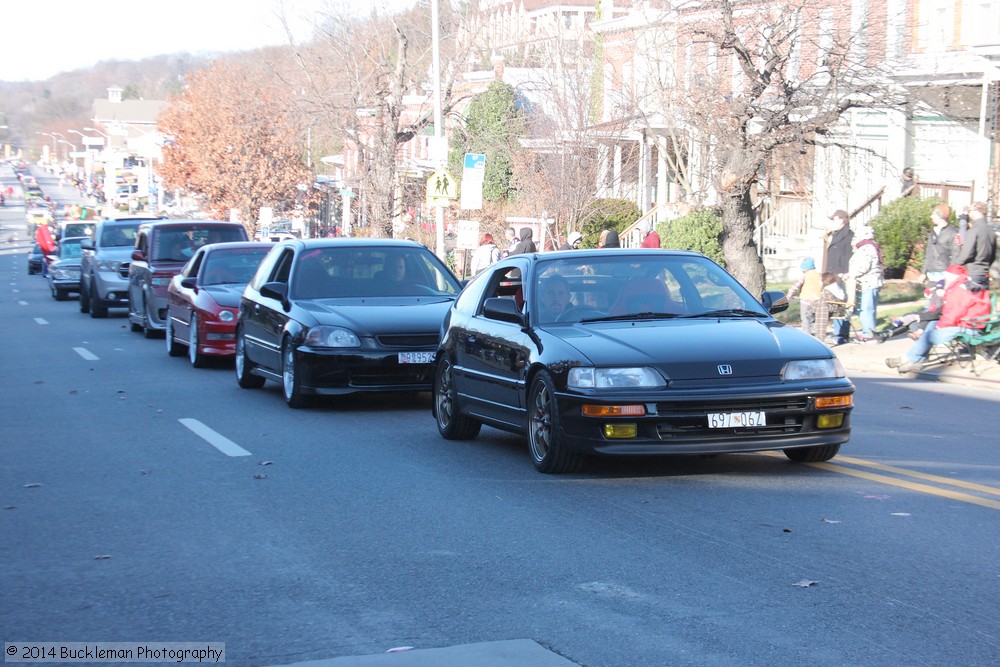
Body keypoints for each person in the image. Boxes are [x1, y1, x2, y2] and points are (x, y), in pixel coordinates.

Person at [885, 264, 991, 373]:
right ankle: (916, 361)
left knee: (928, 335)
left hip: (968, 328)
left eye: (947, 276)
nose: (946, 279)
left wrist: (941, 326)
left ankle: (907, 359)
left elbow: (953, 314)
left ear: (953, 276)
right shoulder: (964, 285)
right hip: (970, 324)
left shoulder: (959, 289)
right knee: (931, 325)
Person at [845, 225, 884, 343]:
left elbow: (864, 266)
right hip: (867, 283)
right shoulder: (868, 246)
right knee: (864, 309)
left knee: (867, 309)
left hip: (869, 283)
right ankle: (867, 332)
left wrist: (851, 274)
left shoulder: (867, 247)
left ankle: (870, 335)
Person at [954, 202, 996, 287]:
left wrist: (955, 263)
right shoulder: (991, 231)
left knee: (968, 299)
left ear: (977, 211)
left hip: (973, 273)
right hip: (985, 274)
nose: (969, 213)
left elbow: (967, 253)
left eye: (970, 210)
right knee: (981, 299)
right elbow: (993, 255)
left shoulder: (974, 231)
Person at [920, 204, 958, 284]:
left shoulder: (952, 233)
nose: (931, 216)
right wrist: (923, 273)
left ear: (940, 216)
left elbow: (956, 255)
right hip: (931, 273)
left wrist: (951, 274)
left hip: (944, 273)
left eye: (933, 214)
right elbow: (928, 254)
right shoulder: (932, 233)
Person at [786, 257, 822, 336]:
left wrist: (788, 295)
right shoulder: (819, 275)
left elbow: (796, 286)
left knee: (805, 318)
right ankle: (814, 333)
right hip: (817, 300)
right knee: (813, 318)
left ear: (805, 268)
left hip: (806, 300)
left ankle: (807, 334)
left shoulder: (805, 276)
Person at [815, 272, 849, 344]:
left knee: (821, 304)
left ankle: (820, 337)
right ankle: (819, 337)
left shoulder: (830, 288)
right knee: (821, 304)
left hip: (838, 309)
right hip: (831, 307)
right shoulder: (833, 286)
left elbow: (839, 300)